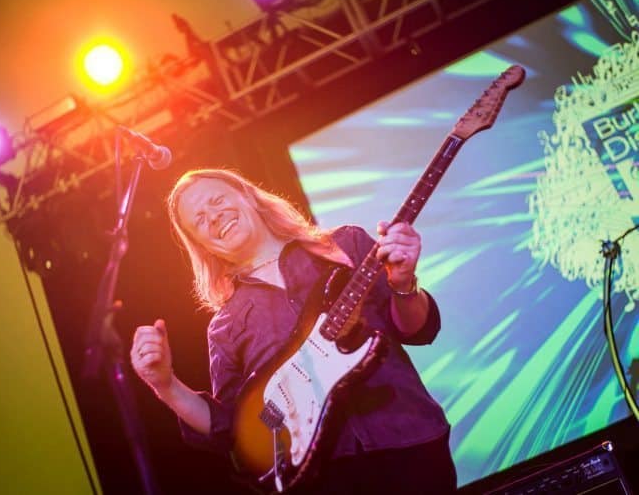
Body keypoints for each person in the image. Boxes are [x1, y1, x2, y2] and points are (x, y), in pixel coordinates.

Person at [130, 169, 456, 494]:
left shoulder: (345, 245)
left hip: (410, 443)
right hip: (325, 478)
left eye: (217, 201)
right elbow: (232, 428)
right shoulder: (225, 327)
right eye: (200, 220)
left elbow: (416, 331)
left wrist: (403, 284)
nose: (214, 217)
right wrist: (165, 385)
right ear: (201, 245)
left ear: (248, 196)